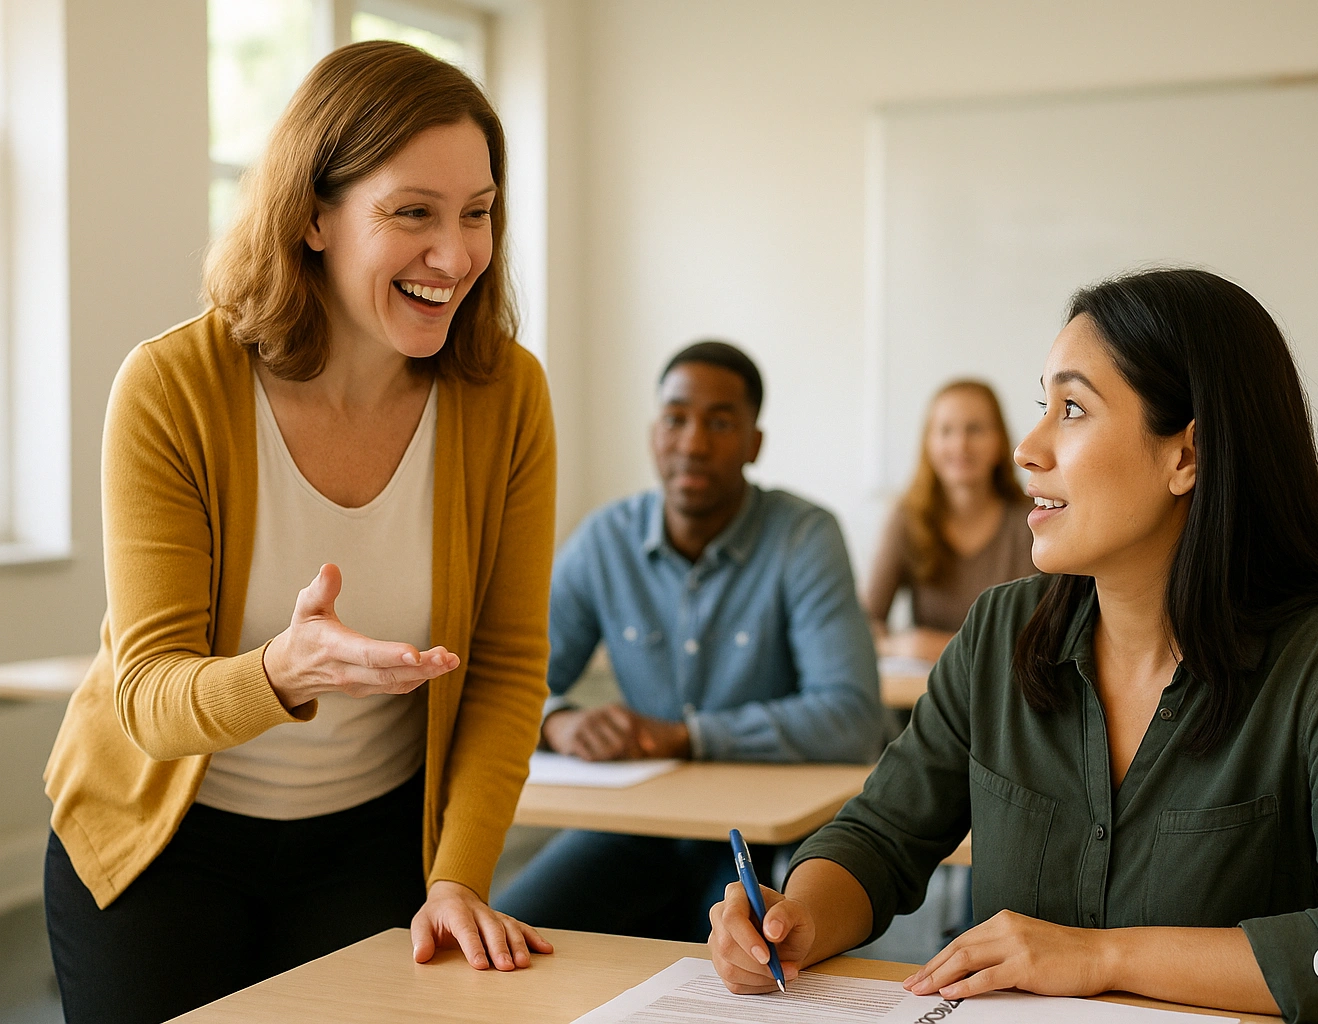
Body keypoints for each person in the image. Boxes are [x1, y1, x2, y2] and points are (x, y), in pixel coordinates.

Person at [708, 269, 1318, 1024]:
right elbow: (881, 837)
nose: (1027, 450)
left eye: (1071, 409)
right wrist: (796, 916)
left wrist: (1100, 957)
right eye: (1043, 405)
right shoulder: (1000, 631)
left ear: (1187, 457)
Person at [43, 42, 555, 1024]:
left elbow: (505, 665)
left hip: (369, 841)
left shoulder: (506, 395)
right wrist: (281, 671)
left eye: (477, 212)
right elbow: (149, 696)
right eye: (413, 212)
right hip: (160, 841)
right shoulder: (171, 388)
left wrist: (459, 875)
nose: (455, 254)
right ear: (314, 216)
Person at [491, 340, 883, 943]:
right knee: (500, 938)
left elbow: (852, 719)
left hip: (757, 840)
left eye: (720, 423)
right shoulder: (606, 540)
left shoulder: (805, 538)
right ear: (654, 433)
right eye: (676, 419)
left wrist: (688, 737)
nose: (693, 443)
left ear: (754, 443)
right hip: (636, 829)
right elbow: (511, 679)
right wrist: (556, 723)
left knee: (741, 966)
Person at [863, 380, 1036, 638]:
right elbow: (865, 624)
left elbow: (1043, 638)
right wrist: (898, 646)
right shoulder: (907, 519)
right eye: (946, 431)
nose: (960, 445)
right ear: (928, 443)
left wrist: (934, 648)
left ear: (1000, 441)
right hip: (924, 679)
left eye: (975, 429)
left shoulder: (1033, 522)